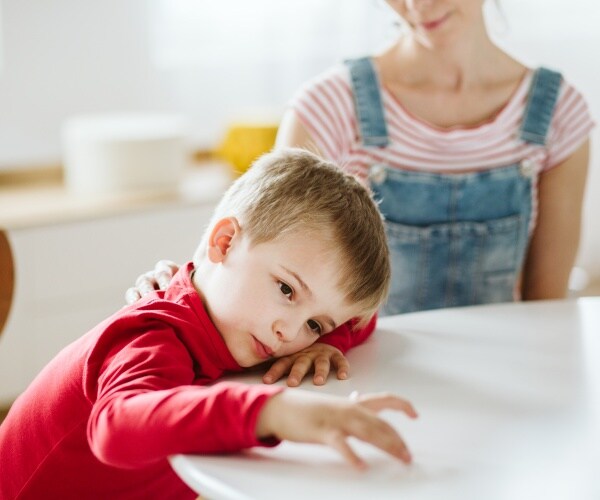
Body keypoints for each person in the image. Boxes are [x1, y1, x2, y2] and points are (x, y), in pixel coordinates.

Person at [129, 0, 594, 385]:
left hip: (501, 377)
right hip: (360, 380)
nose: (417, 5)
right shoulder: (332, 105)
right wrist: (170, 286)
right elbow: (236, 261)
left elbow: (544, 311)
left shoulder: (557, 113)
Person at [0, 149, 417, 500]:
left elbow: (361, 319)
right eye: (287, 291)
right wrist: (276, 411)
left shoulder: (241, 324)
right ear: (225, 243)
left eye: (313, 323)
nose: (288, 333)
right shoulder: (155, 333)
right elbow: (116, 428)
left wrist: (327, 340)